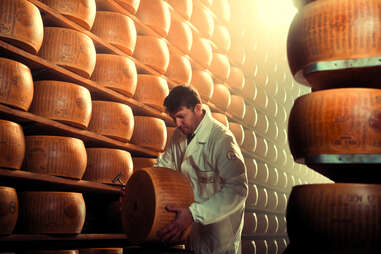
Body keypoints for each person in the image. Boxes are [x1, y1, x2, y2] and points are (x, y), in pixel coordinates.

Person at [156, 85, 248, 254]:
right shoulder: (179, 135)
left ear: (197, 109)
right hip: (193, 235)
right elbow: (164, 169)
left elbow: (238, 189)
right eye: (173, 118)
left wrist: (193, 214)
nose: (177, 124)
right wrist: (139, 188)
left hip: (220, 238)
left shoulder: (221, 139)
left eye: (181, 117)